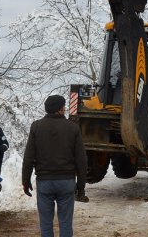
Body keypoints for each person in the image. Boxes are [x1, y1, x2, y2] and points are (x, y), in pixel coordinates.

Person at [22, 94, 88, 237]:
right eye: (64, 106)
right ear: (60, 109)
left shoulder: (36, 127)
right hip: (66, 182)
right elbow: (81, 160)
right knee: (65, 223)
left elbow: (28, 158)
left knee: (45, 224)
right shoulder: (73, 128)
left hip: (44, 182)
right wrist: (81, 186)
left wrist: (25, 181)